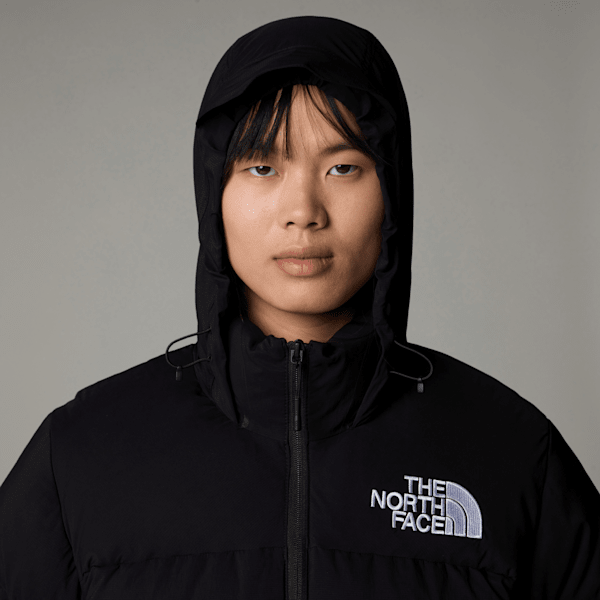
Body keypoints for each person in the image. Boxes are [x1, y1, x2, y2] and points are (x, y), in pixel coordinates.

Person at [1, 15, 599, 600]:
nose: (304, 211)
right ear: (214, 192)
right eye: (262, 167)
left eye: (344, 167)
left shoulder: (511, 453)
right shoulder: (80, 454)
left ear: (392, 192)